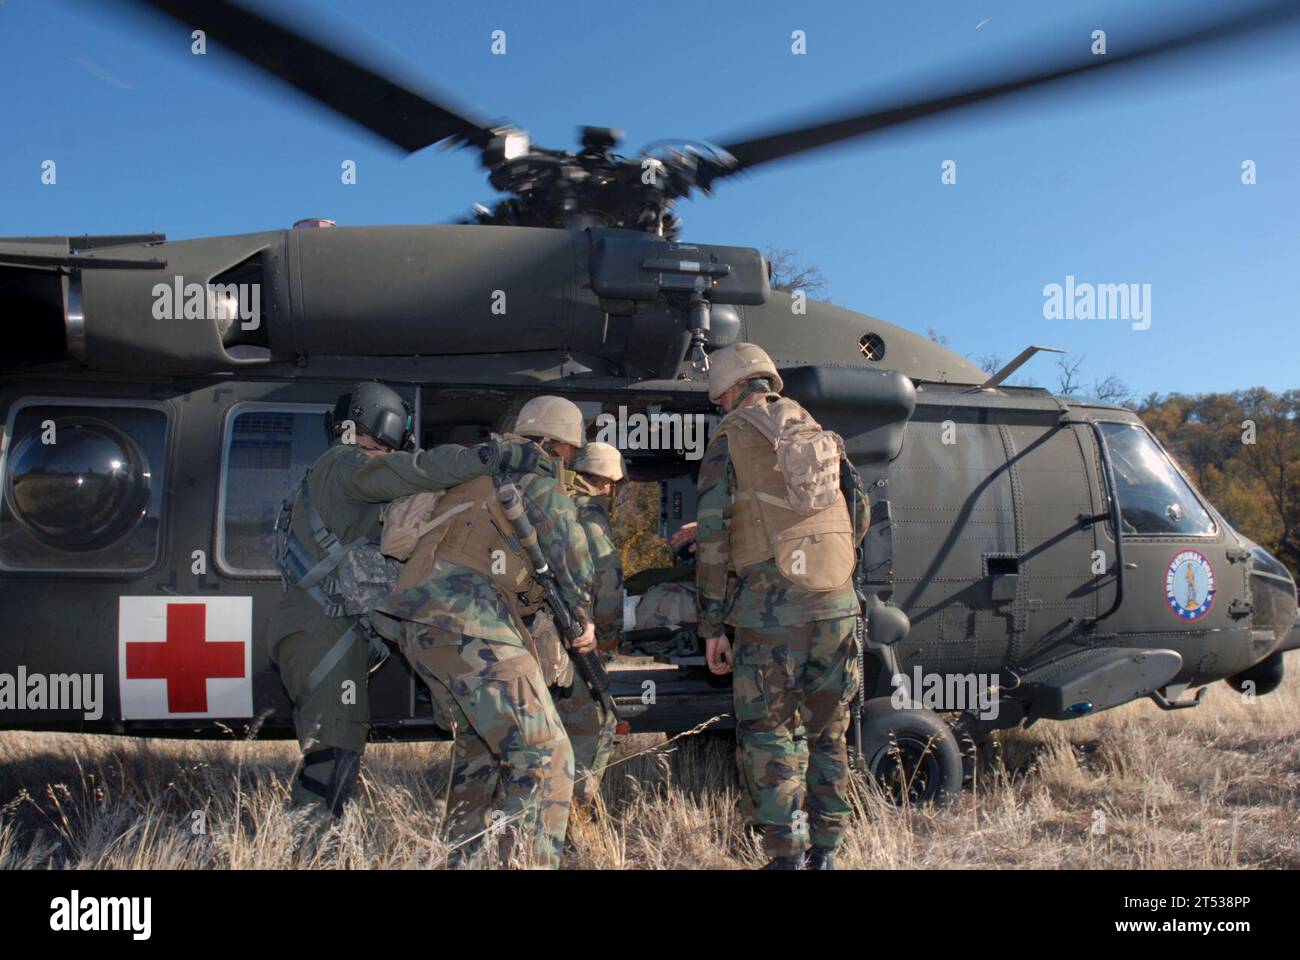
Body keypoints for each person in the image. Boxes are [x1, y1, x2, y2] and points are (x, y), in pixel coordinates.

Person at [268, 381, 541, 830]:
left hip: (319, 628)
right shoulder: (345, 464)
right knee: (332, 748)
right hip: (322, 632)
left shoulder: (326, 472)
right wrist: (487, 457)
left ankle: (315, 839)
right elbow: (411, 471)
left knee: (338, 744)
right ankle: (304, 844)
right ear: (382, 423)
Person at [371, 395, 595, 869]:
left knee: (480, 749)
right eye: (573, 451)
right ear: (563, 445)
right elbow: (572, 553)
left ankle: (463, 857)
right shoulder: (537, 475)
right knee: (544, 757)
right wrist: (584, 620)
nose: (571, 460)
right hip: (467, 622)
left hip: (419, 625)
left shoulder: (476, 474)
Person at [693, 343, 867, 870]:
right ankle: (828, 851)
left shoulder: (732, 436)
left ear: (731, 388)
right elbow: (859, 509)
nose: (719, 404)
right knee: (828, 732)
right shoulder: (815, 430)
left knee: (770, 735)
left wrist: (712, 624)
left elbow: (712, 537)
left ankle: (787, 855)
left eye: (719, 395)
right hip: (837, 603)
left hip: (770, 612)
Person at [551, 440, 623, 803]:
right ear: (607, 482)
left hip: (545, 633)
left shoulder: (553, 501)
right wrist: (608, 634)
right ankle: (576, 808)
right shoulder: (590, 516)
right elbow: (607, 583)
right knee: (596, 721)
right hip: (581, 637)